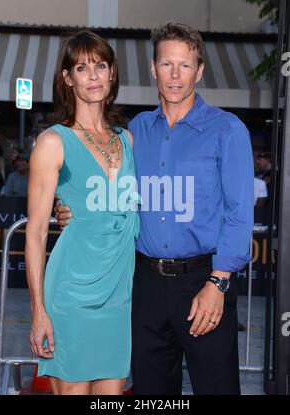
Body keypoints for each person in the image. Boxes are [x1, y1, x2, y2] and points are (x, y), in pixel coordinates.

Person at [56, 23, 254, 395]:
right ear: (153, 68)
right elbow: (108, 193)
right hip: (143, 286)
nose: (175, 75)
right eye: (166, 64)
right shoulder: (135, 131)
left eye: (184, 65)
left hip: (205, 282)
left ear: (200, 70)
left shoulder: (228, 130)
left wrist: (218, 281)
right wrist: (69, 210)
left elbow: (240, 212)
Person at [25, 30, 139, 395]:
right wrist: (39, 311)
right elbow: (36, 233)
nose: (93, 75)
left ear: (112, 73)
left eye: (100, 65)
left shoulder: (127, 139)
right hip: (71, 296)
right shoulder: (53, 142)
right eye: (81, 67)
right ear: (67, 77)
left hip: (117, 300)